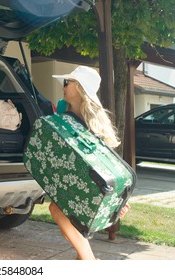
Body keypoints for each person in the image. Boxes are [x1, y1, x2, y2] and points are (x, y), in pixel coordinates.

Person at [50, 66, 131, 260]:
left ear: (79, 87)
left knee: (59, 212)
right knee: (70, 229)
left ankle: (89, 263)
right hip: (70, 176)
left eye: (67, 82)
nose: (63, 86)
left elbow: (110, 160)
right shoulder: (61, 108)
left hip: (91, 182)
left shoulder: (96, 120)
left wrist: (123, 199)